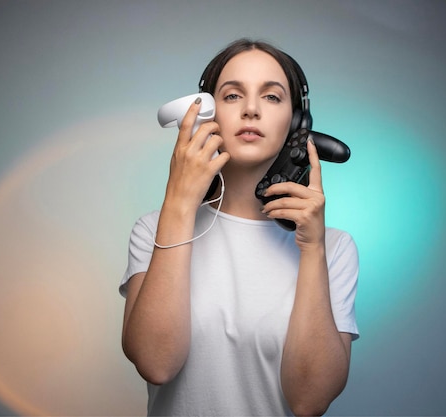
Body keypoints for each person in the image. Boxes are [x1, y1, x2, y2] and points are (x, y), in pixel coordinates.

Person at [120, 38, 359, 416]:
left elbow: (310, 401)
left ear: (297, 122)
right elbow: (155, 363)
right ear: (206, 115)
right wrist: (179, 204)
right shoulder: (154, 228)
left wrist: (313, 251)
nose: (250, 110)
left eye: (272, 97)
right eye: (232, 96)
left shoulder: (335, 247)